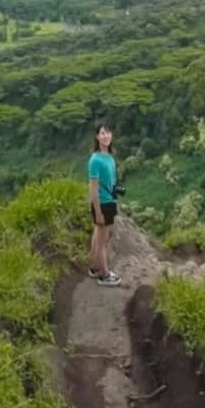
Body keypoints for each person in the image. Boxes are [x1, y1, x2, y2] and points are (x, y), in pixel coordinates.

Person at [88, 121, 122, 286]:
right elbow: (93, 189)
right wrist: (98, 211)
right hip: (102, 203)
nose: (106, 135)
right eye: (102, 133)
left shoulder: (109, 156)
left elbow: (110, 181)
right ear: (97, 137)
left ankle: (94, 268)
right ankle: (104, 275)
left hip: (109, 200)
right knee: (102, 241)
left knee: (97, 237)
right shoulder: (95, 160)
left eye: (108, 132)